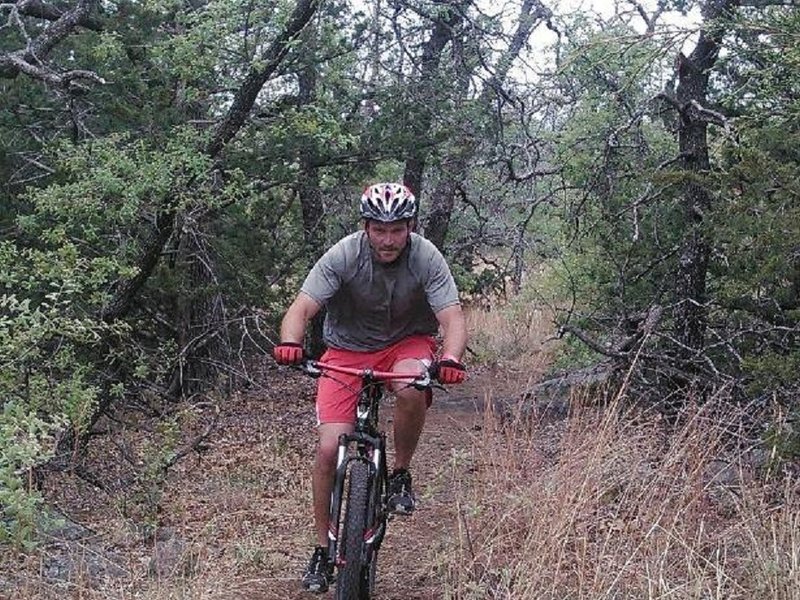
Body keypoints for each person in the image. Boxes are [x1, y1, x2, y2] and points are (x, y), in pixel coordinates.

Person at [273, 182, 468, 593]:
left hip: (405, 342)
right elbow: (302, 307)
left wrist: (449, 359)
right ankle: (322, 548)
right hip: (346, 350)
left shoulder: (426, 257)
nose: (388, 239)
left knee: (412, 386)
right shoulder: (344, 254)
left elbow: (451, 317)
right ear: (366, 227)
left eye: (397, 229)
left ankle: (399, 474)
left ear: (409, 227)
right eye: (379, 229)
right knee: (329, 448)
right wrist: (291, 343)